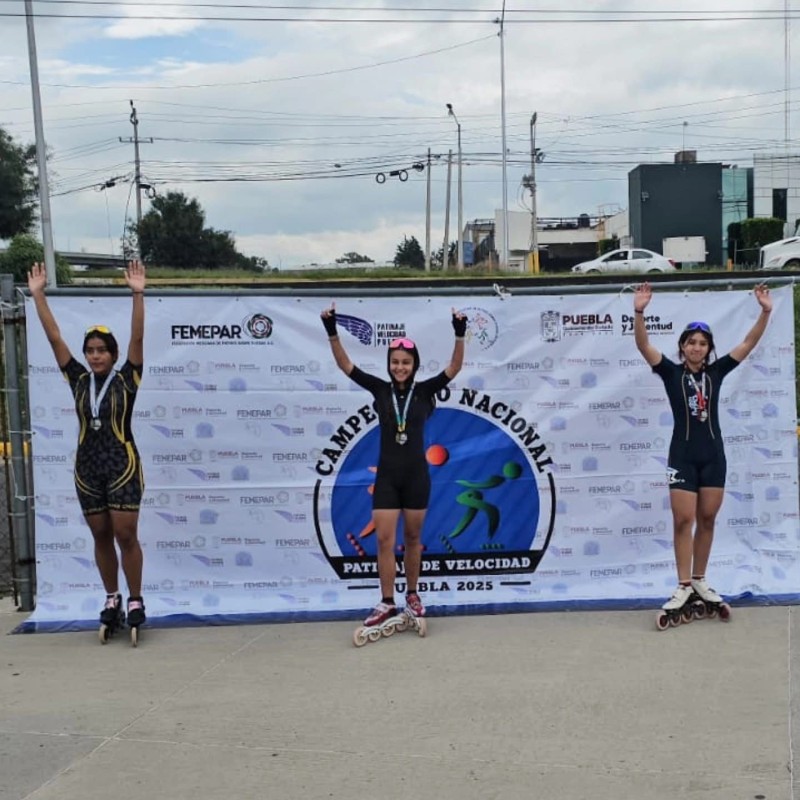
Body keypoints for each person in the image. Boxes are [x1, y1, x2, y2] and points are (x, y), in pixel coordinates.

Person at [633, 281, 772, 619]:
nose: (696, 348)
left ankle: (699, 579)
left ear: (708, 349)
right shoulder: (670, 372)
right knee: (684, 520)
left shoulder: (717, 371)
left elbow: (748, 343)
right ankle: (683, 584)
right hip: (681, 457)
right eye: (691, 342)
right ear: (682, 347)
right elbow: (643, 345)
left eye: (702, 343)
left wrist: (766, 312)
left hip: (713, 457)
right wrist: (638, 311)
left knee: (707, 519)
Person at [321, 304, 466, 627]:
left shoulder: (425, 390)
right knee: (384, 541)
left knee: (413, 539)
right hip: (387, 479)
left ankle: (412, 594)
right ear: (389, 364)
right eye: (395, 362)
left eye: (406, 362)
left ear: (414, 365)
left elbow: (455, 367)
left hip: (416, 478)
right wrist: (331, 330)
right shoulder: (379, 389)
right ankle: (387, 602)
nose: (400, 367)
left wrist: (459, 333)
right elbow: (346, 365)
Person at [28, 260, 147, 635]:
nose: (95, 355)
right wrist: (38, 295)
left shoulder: (127, 379)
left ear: (113, 354)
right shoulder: (78, 379)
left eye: (102, 350)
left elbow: (138, 340)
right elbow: (54, 339)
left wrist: (137, 294)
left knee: (125, 535)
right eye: (90, 350)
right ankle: (112, 597)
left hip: (123, 467)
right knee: (100, 536)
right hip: (87, 470)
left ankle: (136, 599)